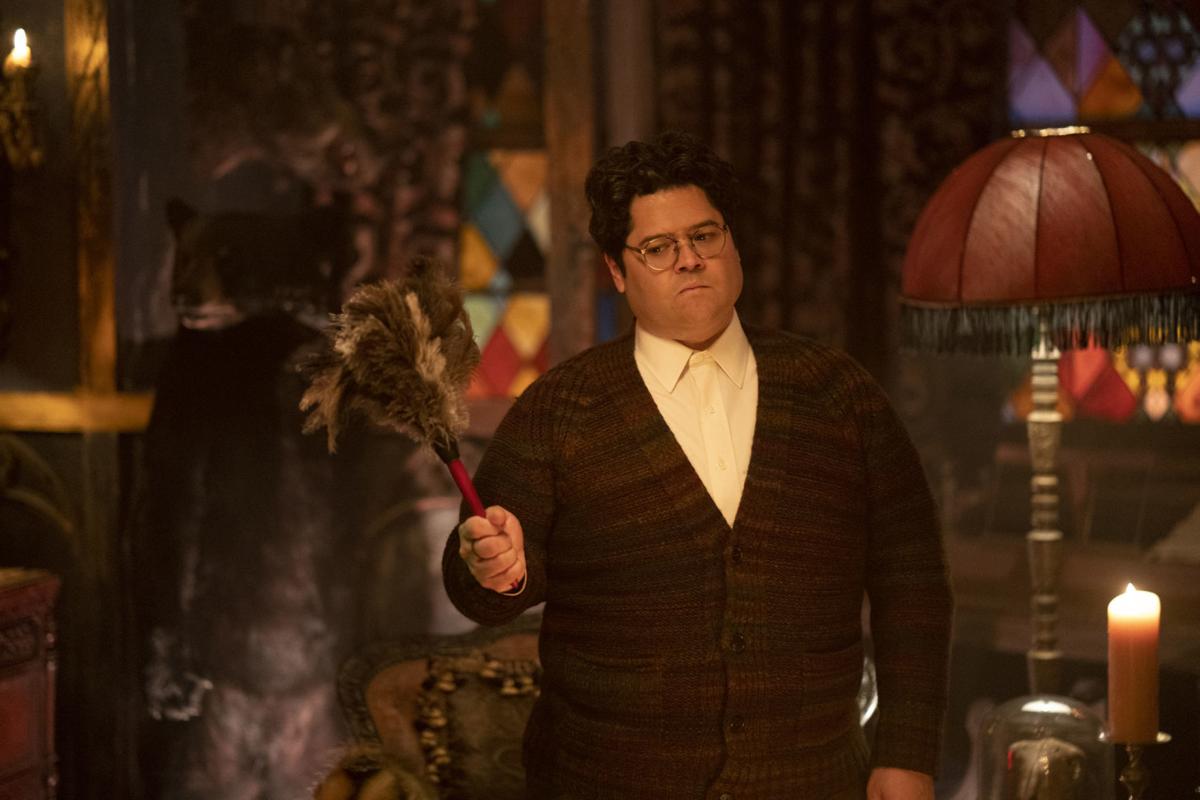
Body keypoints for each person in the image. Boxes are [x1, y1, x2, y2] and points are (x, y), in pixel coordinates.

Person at [442, 131, 952, 800]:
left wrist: (908, 754)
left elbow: (912, 577)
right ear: (618, 271)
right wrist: (493, 567)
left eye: (705, 236)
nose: (688, 259)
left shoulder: (838, 393)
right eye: (657, 248)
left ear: (732, 244)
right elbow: (480, 586)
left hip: (812, 781)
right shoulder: (559, 409)